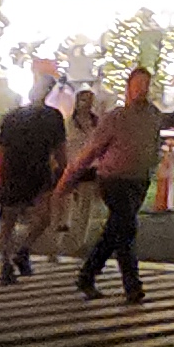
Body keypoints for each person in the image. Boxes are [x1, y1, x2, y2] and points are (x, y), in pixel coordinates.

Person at [59, 67, 165, 303]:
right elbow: (92, 150)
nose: (141, 90)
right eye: (137, 84)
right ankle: (132, 285)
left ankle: (87, 275)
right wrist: (69, 178)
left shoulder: (154, 115)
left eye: (145, 85)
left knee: (114, 231)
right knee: (126, 229)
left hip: (139, 180)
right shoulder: (115, 118)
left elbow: (155, 144)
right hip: (114, 180)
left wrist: (152, 164)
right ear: (128, 87)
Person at [0, 64, 69, 282]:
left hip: (25, 170)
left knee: (19, 218)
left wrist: (64, 168)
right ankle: (11, 259)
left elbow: (1, 148)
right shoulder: (47, 117)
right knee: (23, 217)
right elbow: (59, 148)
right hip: (27, 170)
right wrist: (65, 169)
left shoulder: (18, 117)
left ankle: (14, 256)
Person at [61, 84, 109, 254]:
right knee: (70, 201)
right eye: (83, 99)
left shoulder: (96, 123)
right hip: (73, 166)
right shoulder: (69, 123)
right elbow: (66, 145)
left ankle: (80, 239)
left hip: (91, 167)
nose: (86, 103)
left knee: (86, 204)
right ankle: (67, 234)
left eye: (89, 100)